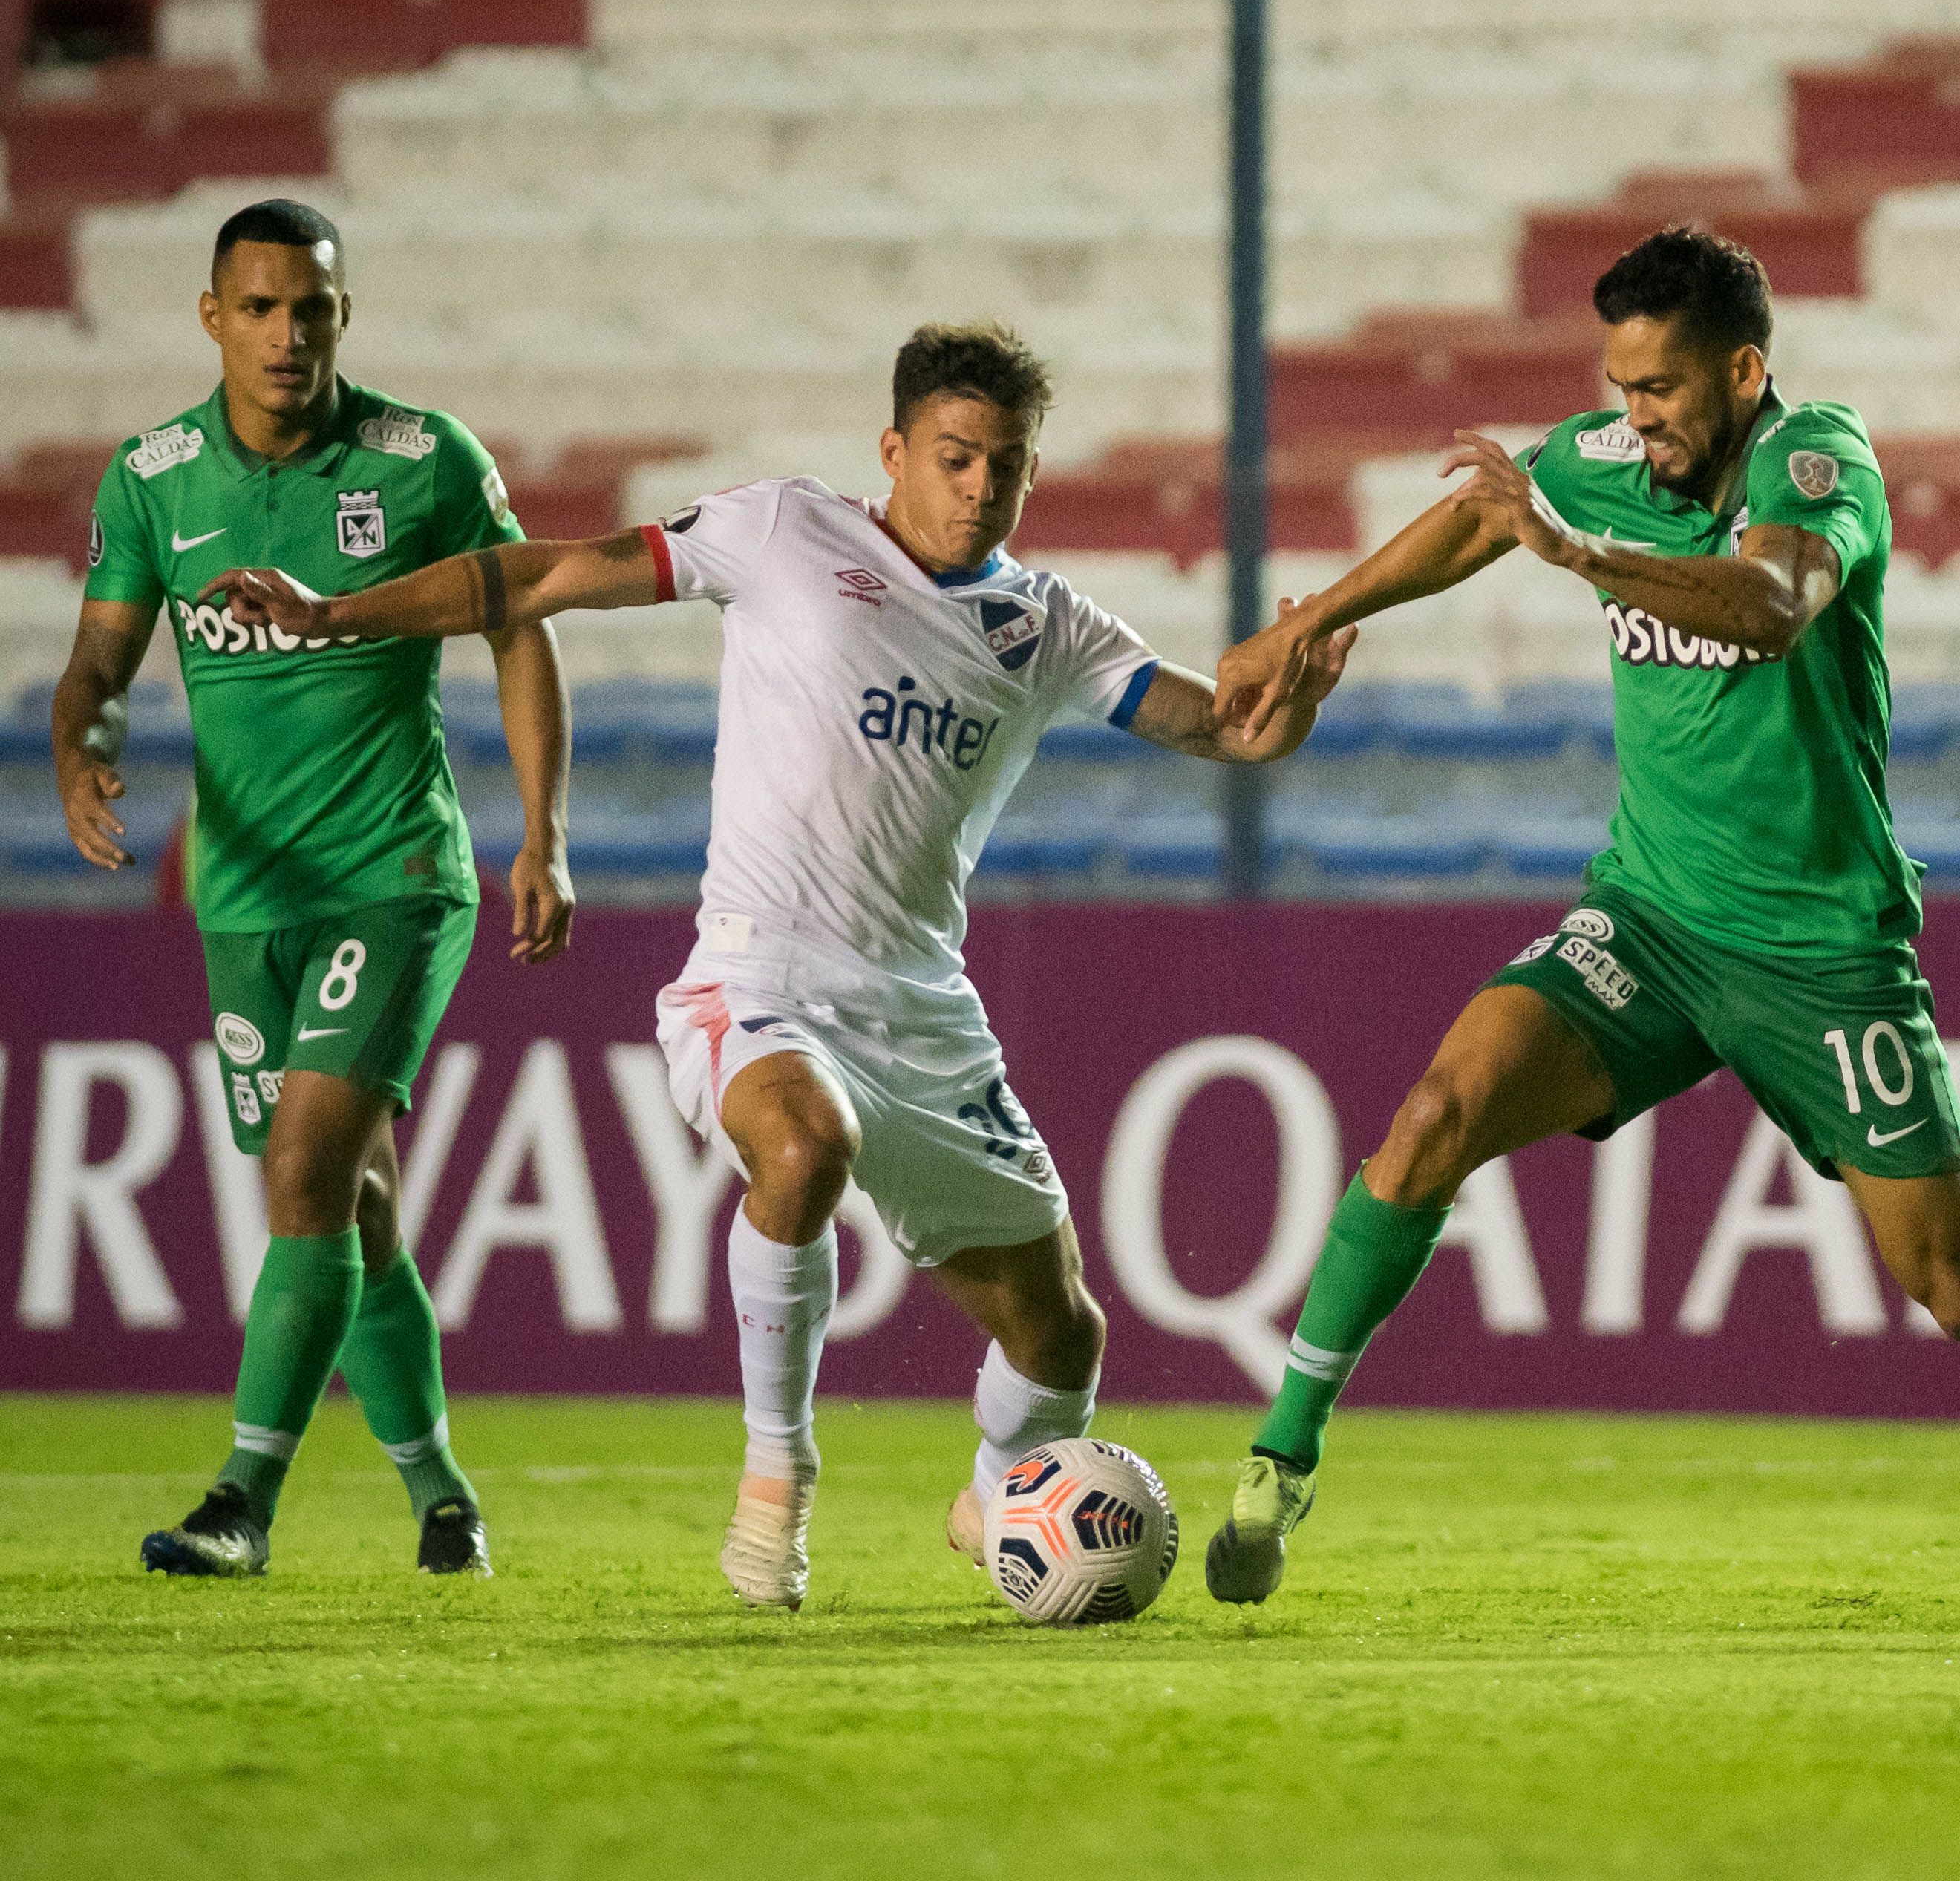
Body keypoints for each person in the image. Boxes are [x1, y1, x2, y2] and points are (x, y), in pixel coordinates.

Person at [215, 321, 1354, 1611]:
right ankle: (778, 1475)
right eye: (956, 457)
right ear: (895, 451)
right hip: (755, 980)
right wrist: (340, 611)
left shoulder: (1042, 625)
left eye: (1008, 467)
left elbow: (1216, 724)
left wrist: (1289, 708)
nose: (981, 489)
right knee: (803, 1147)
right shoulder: (784, 534)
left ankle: (998, 1499)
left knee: (1064, 1334)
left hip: (919, 1011)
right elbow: (544, 575)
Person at [1209, 228, 1960, 1622]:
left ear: (1746, 371)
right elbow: (1483, 517)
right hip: (1646, 920)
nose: (1636, 419)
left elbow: (1772, 603)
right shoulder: (1607, 461)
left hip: (1824, 954)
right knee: (1435, 1115)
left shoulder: (1820, 460)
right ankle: (1280, 1464)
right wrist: (1314, 623)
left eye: (1663, 389)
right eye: (1620, 387)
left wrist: (1578, 553)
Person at [59, 198, 574, 1580]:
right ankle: (445, 1498)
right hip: (246, 897)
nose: (290, 334)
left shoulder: (423, 461)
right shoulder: (152, 476)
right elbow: (99, 666)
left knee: (301, 1177)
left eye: (315, 309)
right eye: (264, 307)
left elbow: (518, 628)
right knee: (352, 1209)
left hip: (396, 876)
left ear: (346, 316)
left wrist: (544, 832)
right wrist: (82, 752)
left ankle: (242, 1501)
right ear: (214, 316)